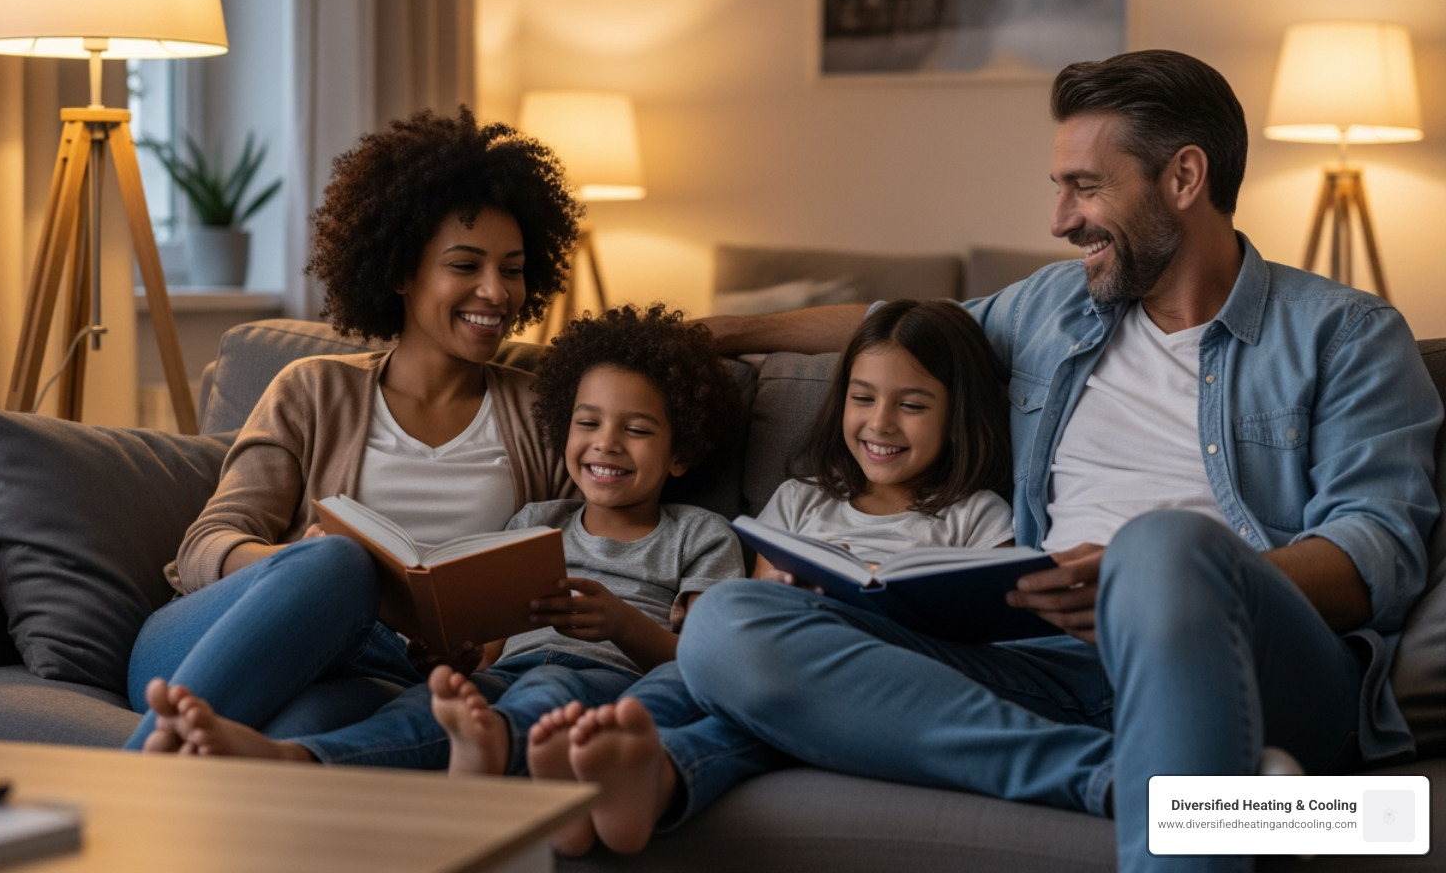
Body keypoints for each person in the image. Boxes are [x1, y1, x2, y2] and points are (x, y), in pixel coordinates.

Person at [594, 50, 1440, 873]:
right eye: (1059, 188)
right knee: (731, 624)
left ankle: (1184, 732)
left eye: (1086, 187)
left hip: (1262, 670)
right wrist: (720, 334)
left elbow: (1378, 553)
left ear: (1184, 178)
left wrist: (1157, 586)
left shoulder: (1345, 334)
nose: (1060, 220)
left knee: (1161, 546)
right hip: (1053, 666)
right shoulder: (1052, 307)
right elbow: (904, 326)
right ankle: (1141, 787)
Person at [123, 106, 583, 750]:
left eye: (512, 269)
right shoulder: (312, 390)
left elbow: (573, 569)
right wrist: (302, 566)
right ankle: (126, 783)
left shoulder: (544, 414)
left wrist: (481, 650)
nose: (496, 291)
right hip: (208, 640)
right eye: (465, 265)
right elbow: (204, 546)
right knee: (340, 562)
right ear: (399, 271)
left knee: (298, 740)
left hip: (381, 673)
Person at [138, 304, 748, 780]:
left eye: (635, 429)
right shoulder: (537, 519)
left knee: (462, 700)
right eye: (587, 423)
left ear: (682, 451)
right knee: (413, 672)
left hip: (570, 678)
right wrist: (301, 566)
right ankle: (147, 776)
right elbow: (493, 647)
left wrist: (615, 625)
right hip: (296, 624)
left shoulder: (698, 533)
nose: (606, 442)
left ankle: (297, 759)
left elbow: (709, 660)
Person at [533, 298, 1017, 853]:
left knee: (771, 716)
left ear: (956, 415)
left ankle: (641, 776)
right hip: (778, 667)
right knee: (696, 679)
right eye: (862, 398)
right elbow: (752, 604)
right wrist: (779, 595)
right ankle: (611, 758)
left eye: (910, 405)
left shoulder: (978, 517)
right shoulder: (799, 500)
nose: (880, 422)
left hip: (876, 682)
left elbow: (993, 640)